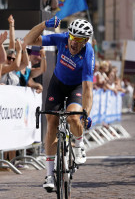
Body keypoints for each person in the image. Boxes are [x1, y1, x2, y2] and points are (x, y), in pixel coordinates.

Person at [23, 17, 94, 191]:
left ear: (85, 41)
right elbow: (28, 41)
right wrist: (43, 25)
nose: (74, 43)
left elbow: (87, 90)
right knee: (52, 123)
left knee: (73, 118)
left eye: (79, 40)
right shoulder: (62, 38)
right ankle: (48, 175)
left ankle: (79, 143)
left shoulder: (87, 54)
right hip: (57, 84)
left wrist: (86, 113)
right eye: (72, 38)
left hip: (76, 87)